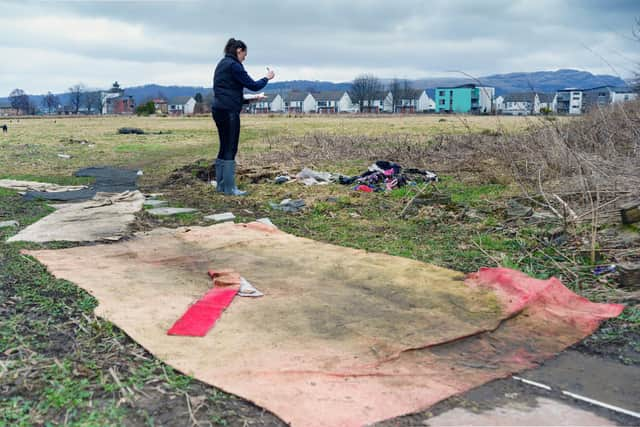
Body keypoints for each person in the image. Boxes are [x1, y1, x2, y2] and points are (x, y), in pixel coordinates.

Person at [211, 38, 275, 195]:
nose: (244, 58)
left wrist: (252, 99)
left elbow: (228, 92)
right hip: (229, 112)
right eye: (244, 55)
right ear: (238, 50)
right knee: (231, 147)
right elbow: (253, 85)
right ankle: (229, 188)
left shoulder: (222, 64)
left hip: (218, 109)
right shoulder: (234, 65)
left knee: (223, 145)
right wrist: (267, 77)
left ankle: (221, 186)